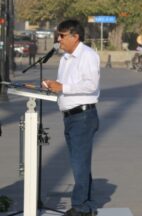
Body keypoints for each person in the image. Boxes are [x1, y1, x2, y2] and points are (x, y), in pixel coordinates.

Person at [43, 20, 100, 216]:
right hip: (69, 116)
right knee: (80, 162)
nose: (59, 39)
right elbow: (64, 85)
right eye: (58, 35)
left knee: (79, 163)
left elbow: (91, 85)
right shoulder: (65, 58)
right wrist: (53, 86)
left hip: (82, 116)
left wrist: (63, 88)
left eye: (62, 35)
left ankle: (81, 208)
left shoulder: (88, 55)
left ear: (75, 37)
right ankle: (86, 204)